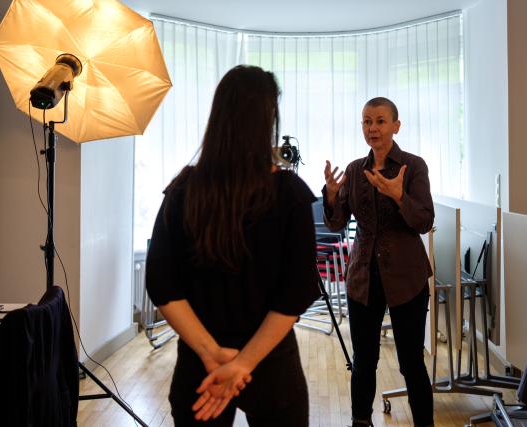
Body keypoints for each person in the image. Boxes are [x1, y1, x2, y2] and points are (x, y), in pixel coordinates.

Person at [146, 65, 320, 426]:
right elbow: (297, 291)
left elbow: (162, 285)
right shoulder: (290, 195)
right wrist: (244, 363)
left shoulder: (182, 191)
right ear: (269, 117)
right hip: (271, 365)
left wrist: (213, 356)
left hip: (200, 366)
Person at [323, 97, 435, 427]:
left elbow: (424, 221)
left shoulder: (413, 167)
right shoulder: (356, 170)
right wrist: (331, 197)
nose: (373, 128)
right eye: (366, 121)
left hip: (407, 278)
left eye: (380, 121)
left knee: (412, 362)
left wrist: (398, 195)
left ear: (396, 126)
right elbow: (337, 223)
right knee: (363, 360)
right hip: (363, 278)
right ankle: (361, 421)